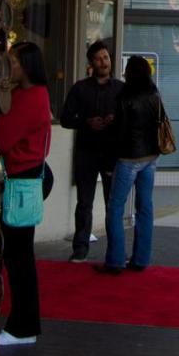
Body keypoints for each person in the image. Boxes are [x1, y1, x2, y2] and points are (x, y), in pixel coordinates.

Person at [0, 40, 52, 345]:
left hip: (21, 182)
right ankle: (22, 323)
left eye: (13, 62)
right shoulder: (30, 95)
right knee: (18, 255)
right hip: (23, 179)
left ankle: (23, 326)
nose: (9, 67)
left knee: (19, 257)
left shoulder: (30, 98)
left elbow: (1, 138)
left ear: (26, 66)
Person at [98, 54, 164, 275]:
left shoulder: (125, 97)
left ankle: (115, 260)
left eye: (127, 69)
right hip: (151, 156)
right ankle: (141, 259)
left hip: (129, 157)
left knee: (115, 207)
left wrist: (110, 160)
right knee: (145, 207)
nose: (124, 73)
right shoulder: (154, 94)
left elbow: (120, 133)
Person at [60, 40, 122, 261]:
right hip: (86, 152)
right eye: (98, 58)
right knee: (84, 202)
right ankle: (80, 248)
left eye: (106, 57)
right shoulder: (80, 88)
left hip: (112, 154)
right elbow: (65, 117)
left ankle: (116, 250)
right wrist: (87, 123)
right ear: (91, 63)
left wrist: (116, 120)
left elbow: (130, 118)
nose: (103, 62)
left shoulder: (120, 89)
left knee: (112, 203)